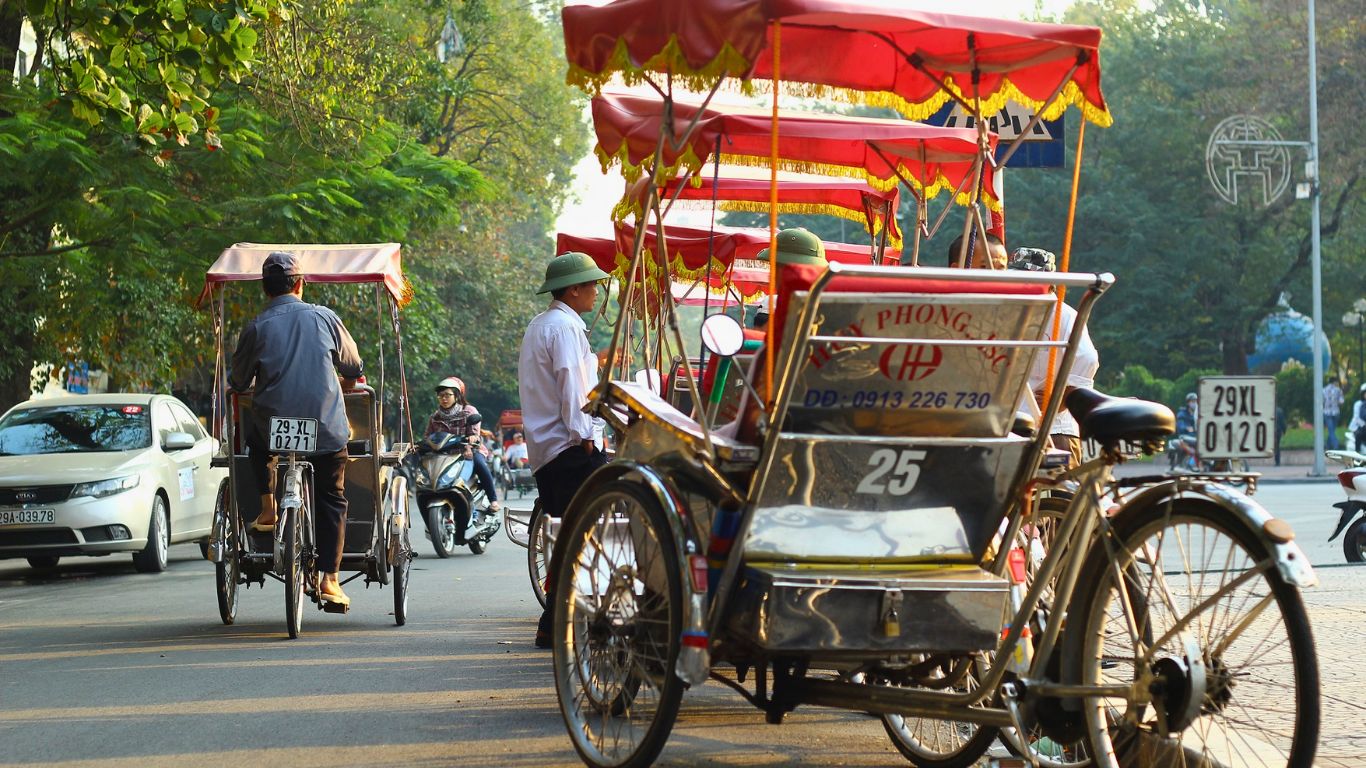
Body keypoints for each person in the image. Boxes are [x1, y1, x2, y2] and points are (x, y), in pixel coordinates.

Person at [229, 251, 363, 607]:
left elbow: (239, 380)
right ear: (300, 284)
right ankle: (331, 580)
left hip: (273, 429)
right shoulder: (325, 317)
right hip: (326, 430)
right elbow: (353, 366)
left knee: (256, 442)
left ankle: (269, 505)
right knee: (332, 496)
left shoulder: (256, 327)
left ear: (265, 289)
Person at [518, 251, 610, 648]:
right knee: (590, 530)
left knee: (568, 531)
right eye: (591, 285)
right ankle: (559, 619)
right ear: (574, 290)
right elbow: (572, 389)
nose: (595, 292)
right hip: (569, 445)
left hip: (549, 448)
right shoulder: (564, 329)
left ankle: (556, 619)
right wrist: (586, 436)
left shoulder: (543, 325)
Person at [1007, 247, 1098, 466]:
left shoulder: (1064, 316)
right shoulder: (1008, 308)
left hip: (1054, 428)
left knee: (1060, 495)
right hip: (1008, 425)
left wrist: (1061, 398)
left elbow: (1087, 359)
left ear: (1048, 281)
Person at [425, 376, 499, 513]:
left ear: (457, 395)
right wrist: (421, 445)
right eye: (440, 396)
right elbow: (428, 436)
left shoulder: (468, 411)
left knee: (479, 463)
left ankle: (493, 499)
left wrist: (471, 440)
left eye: (447, 395)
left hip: (469, 452)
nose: (444, 399)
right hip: (446, 456)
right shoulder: (435, 417)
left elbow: (475, 433)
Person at [1323, 378, 1344, 450]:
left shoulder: (1324, 390)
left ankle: (1328, 445)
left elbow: (1322, 400)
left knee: (1331, 430)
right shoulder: (1338, 390)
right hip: (1336, 412)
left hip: (1327, 412)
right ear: (1335, 382)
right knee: (1332, 430)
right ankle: (1336, 445)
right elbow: (1341, 401)